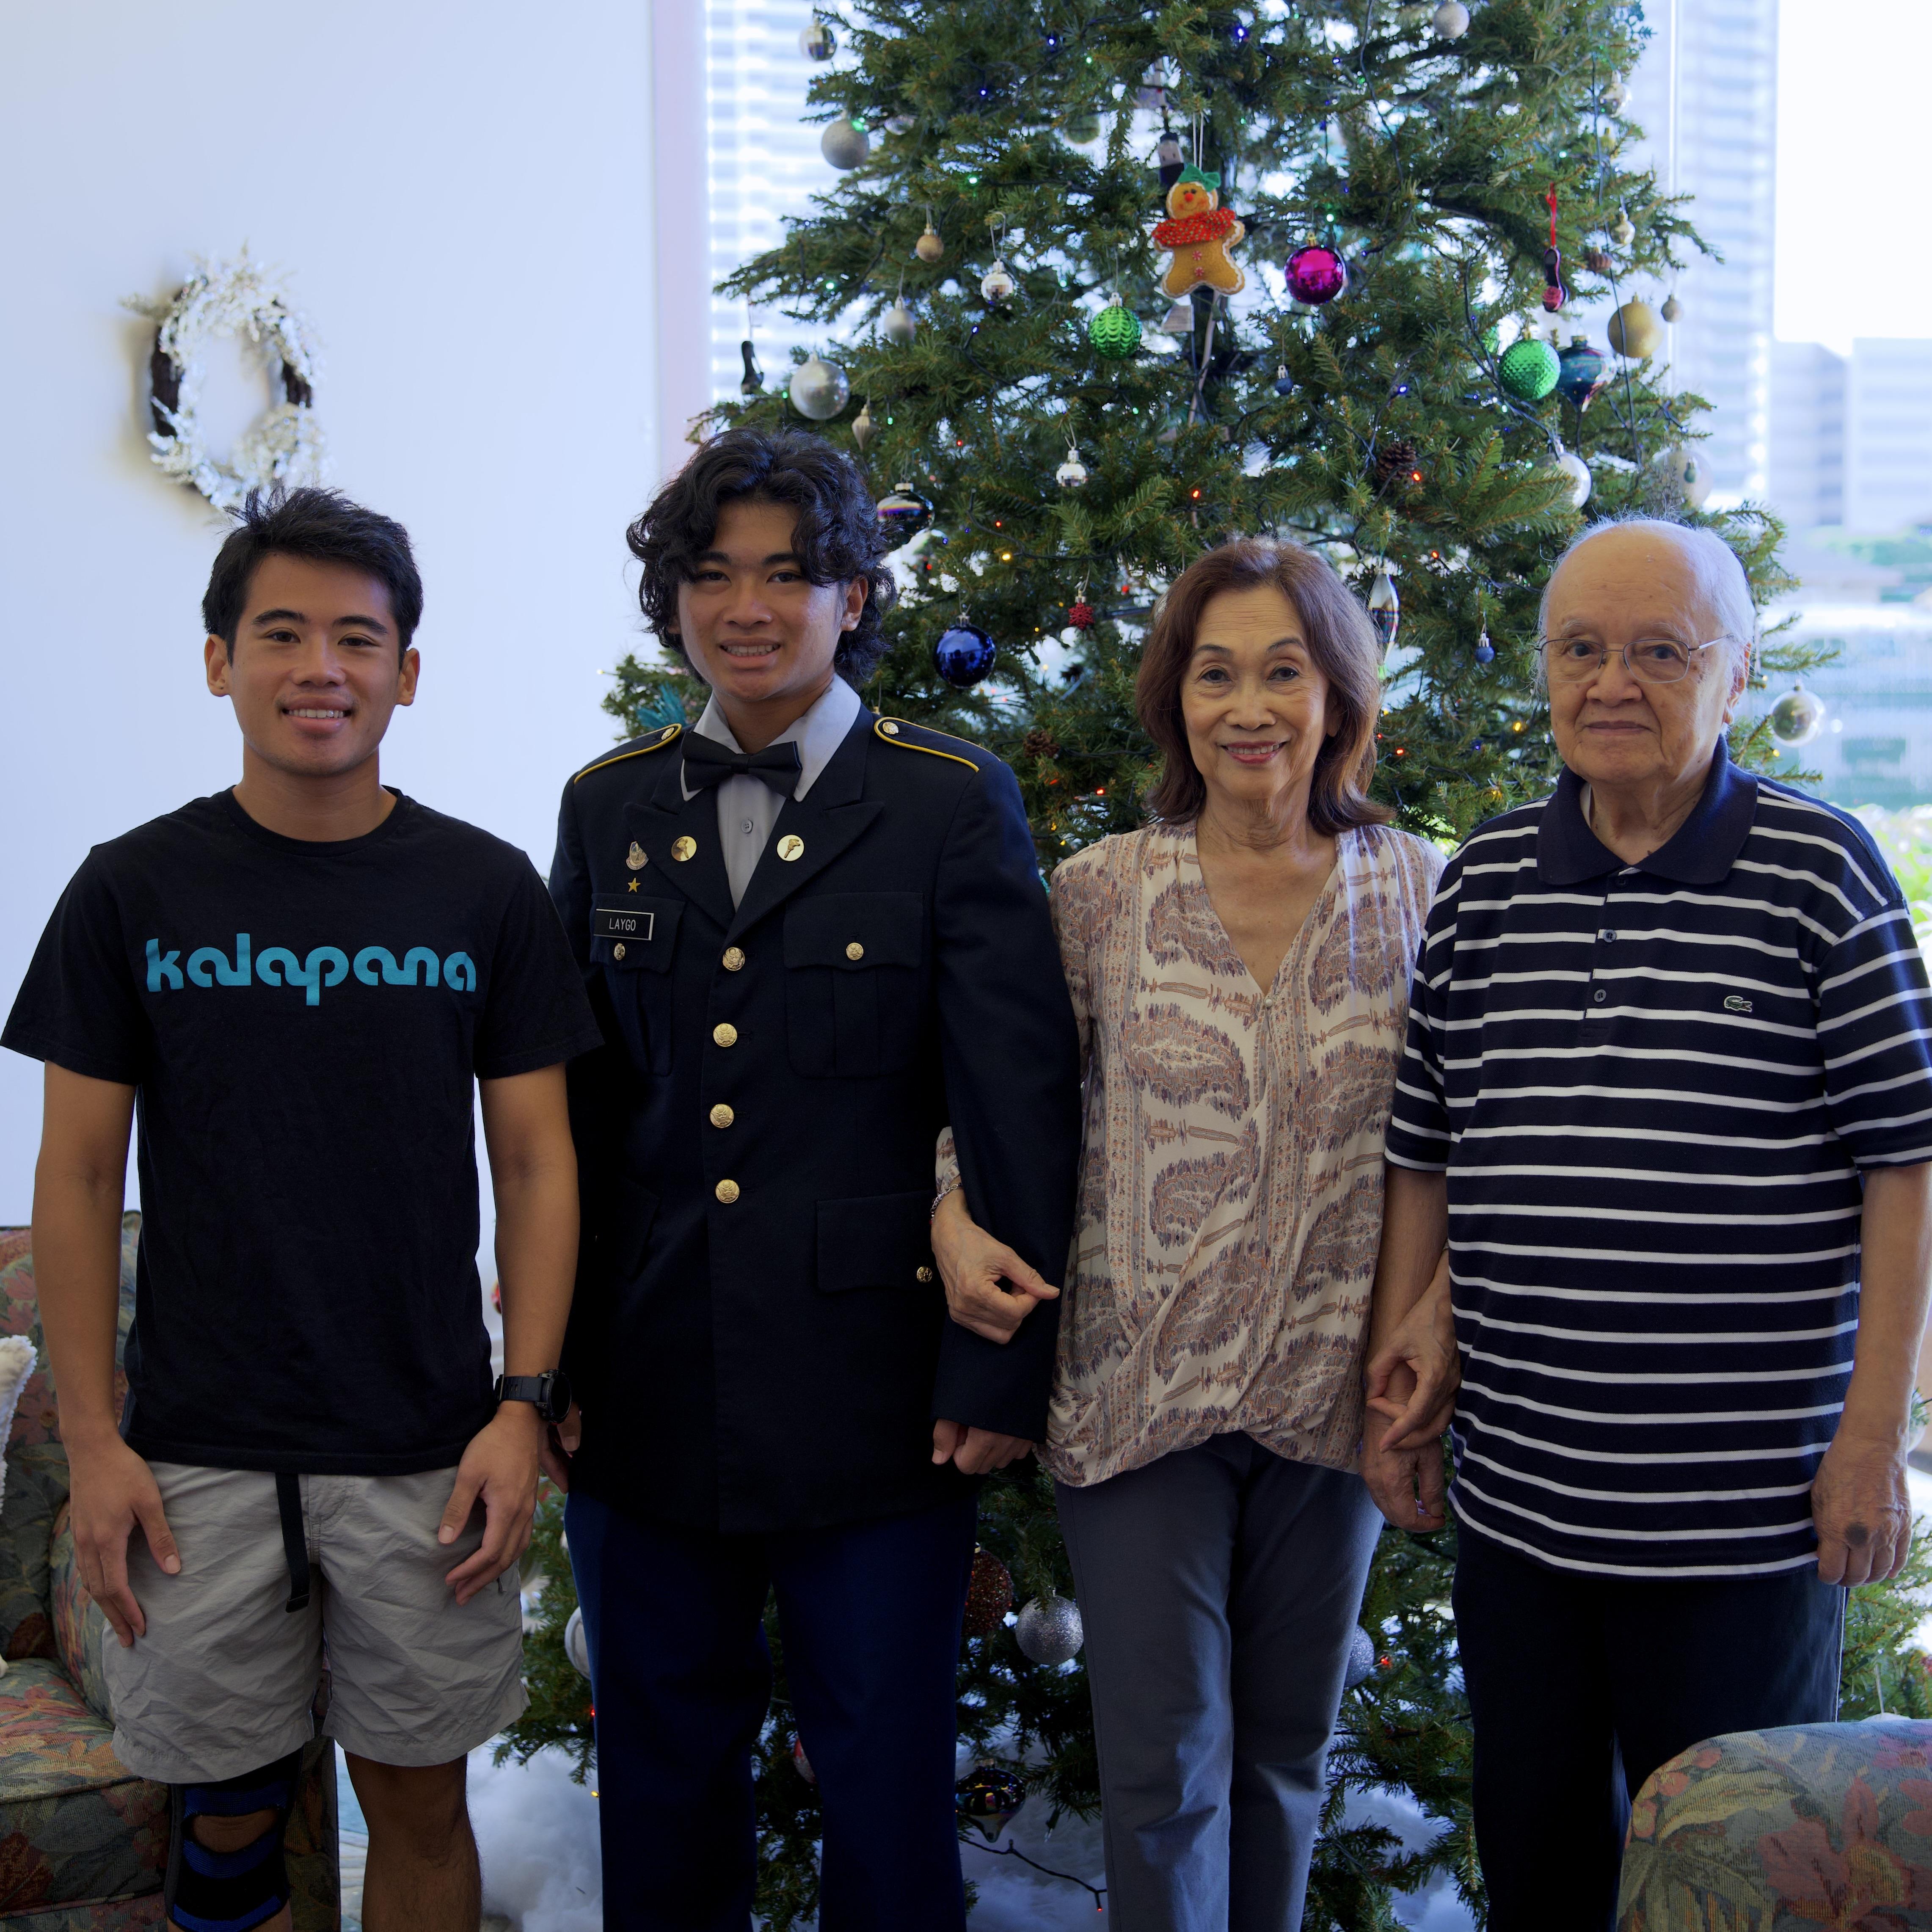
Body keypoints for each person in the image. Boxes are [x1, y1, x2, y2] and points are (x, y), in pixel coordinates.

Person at [3, 489, 600, 1932]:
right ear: (220, 662)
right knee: (224, 1814)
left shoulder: (484, 889)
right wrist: (94, 1442)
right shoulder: (131, 891)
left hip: (424, 1447)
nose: (319, 666)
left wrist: (523, 1408)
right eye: (281, 633)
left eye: (357, 636)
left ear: (407, 671)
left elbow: (536, 1164)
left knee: (417, 1805)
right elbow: (77, 1177)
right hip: (199, 1453)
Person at [547, 427, 1081, 1932]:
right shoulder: (607, 807)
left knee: (887, 1777)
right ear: (672, 601)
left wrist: (1003, 1366)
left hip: (879, 1395)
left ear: (854, 593)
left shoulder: (945, 800)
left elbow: (1019, 1103)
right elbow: (573, 1121)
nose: (748, 607)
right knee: (658, 1774)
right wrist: (554, 1367)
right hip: (646, 1377)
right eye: (711, 574)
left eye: (791, 573)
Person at [1367, 515, 1932, 1931]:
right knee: (1542, 1869)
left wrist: (1874, 1437)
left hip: (1744, 1525)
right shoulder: (1487, 877)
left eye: (1660, 652)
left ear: (1734, 675)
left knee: (1741, 1882)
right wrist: (1399, 1365)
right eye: (1582, 650)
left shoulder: (1821, 870)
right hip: (1523, 1512)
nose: (1612, 682)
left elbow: (1908, 1161)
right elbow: (1427, 1149)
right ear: (1546, 670)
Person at [933, 537, 1444, 1932]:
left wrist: (1433, 1326)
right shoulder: (1103, 891)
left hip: (1334, 1395)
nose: (1250, 706)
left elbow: (1464, 1137)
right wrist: (947, 1211)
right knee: (1164, 1772)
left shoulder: (1421, 889)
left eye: (1285, 670)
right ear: (1177, 700)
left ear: (1339, 694)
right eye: (1215, 674)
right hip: (1134, 1389)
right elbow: (997, 1101)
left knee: (1284, 1762)